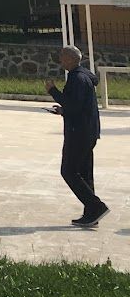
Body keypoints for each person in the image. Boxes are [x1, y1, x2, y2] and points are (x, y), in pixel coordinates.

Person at [46, 44, 108, 228]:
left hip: (79, 133)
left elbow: (74, 106)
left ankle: (96, 207)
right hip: (87, 131)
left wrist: (53, 91)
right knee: (84, 173)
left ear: (72, 59)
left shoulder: (78, 78)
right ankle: (91, 214)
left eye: (63, 56)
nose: (60, 59)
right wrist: (63, 111)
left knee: (69, 171)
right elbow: (76, 106)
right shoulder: (81, 76)